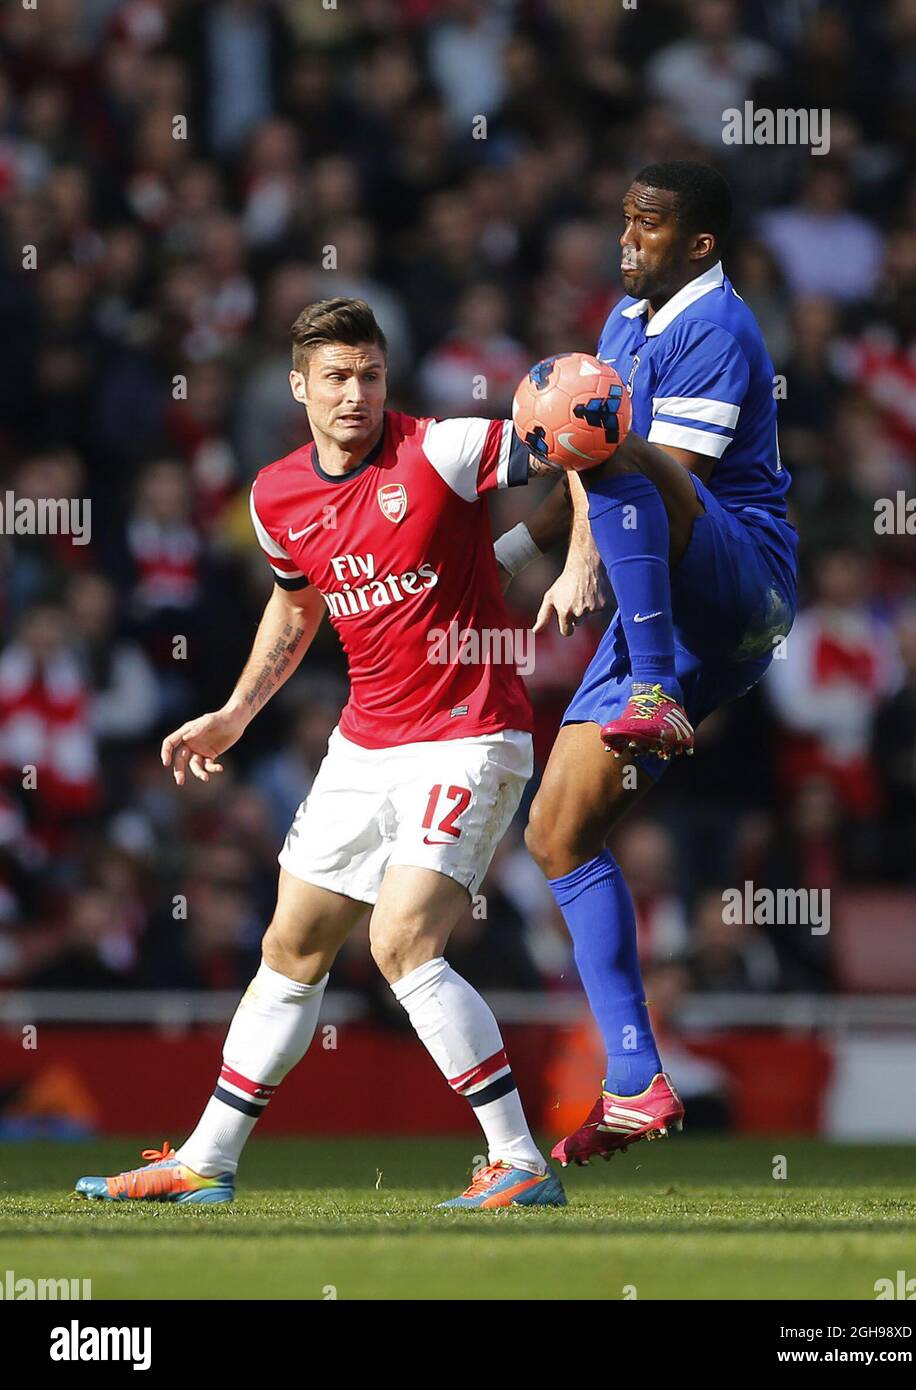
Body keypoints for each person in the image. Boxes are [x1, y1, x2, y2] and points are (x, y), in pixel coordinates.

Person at [74, 296, 569, 1210]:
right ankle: (206, 1161)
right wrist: (234, 713)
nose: (356, 394)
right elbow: (298, 608)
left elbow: (576, 443)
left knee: (402, 941)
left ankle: (520, 1161)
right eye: (337, 377)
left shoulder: (443, 450)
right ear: (298, 386)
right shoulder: (275, 497)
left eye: (370, 374)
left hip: (469, 734)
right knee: (291, 945)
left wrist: (571, 559)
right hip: (365, 740)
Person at [511, 161, 798, 1165]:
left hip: (739, 587)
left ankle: (654, 687)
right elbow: (585, 476)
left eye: (649, 223)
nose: (627, 235)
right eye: (625, 216)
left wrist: (592, 562)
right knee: (554, 834)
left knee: (609, 432)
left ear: (699, 245)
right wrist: (504, 560)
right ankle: (634, 1078)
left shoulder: (715, 328)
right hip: (657, 609)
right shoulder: (622, 327)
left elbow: (660, 477)